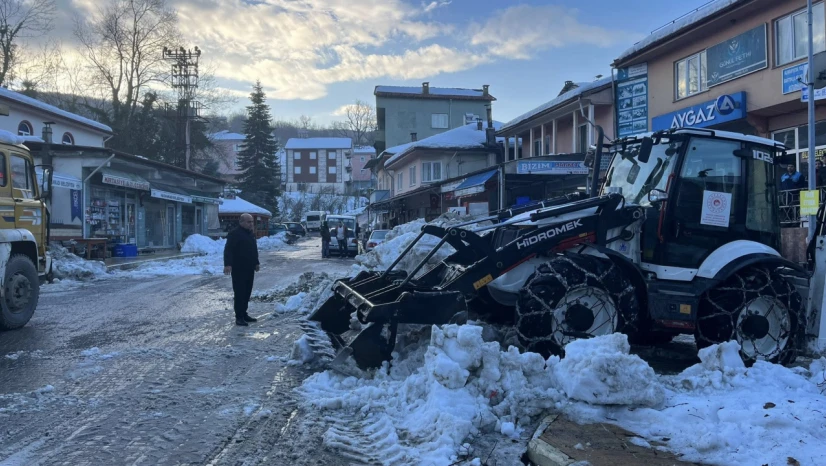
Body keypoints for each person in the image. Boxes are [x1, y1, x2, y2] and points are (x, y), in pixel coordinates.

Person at [223, 213, 260, 326]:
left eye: (252, 222)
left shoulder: (250, 234)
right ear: (241, 222)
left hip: (249, 268)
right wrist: (228, 264)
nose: (251, 224)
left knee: (247, 292)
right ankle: (239, 317)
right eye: (249, 222)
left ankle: (244, 313)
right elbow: (228, 249)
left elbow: (253, 250)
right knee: (239, 292)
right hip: (239, 268)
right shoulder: (235, 234)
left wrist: (256, 262)